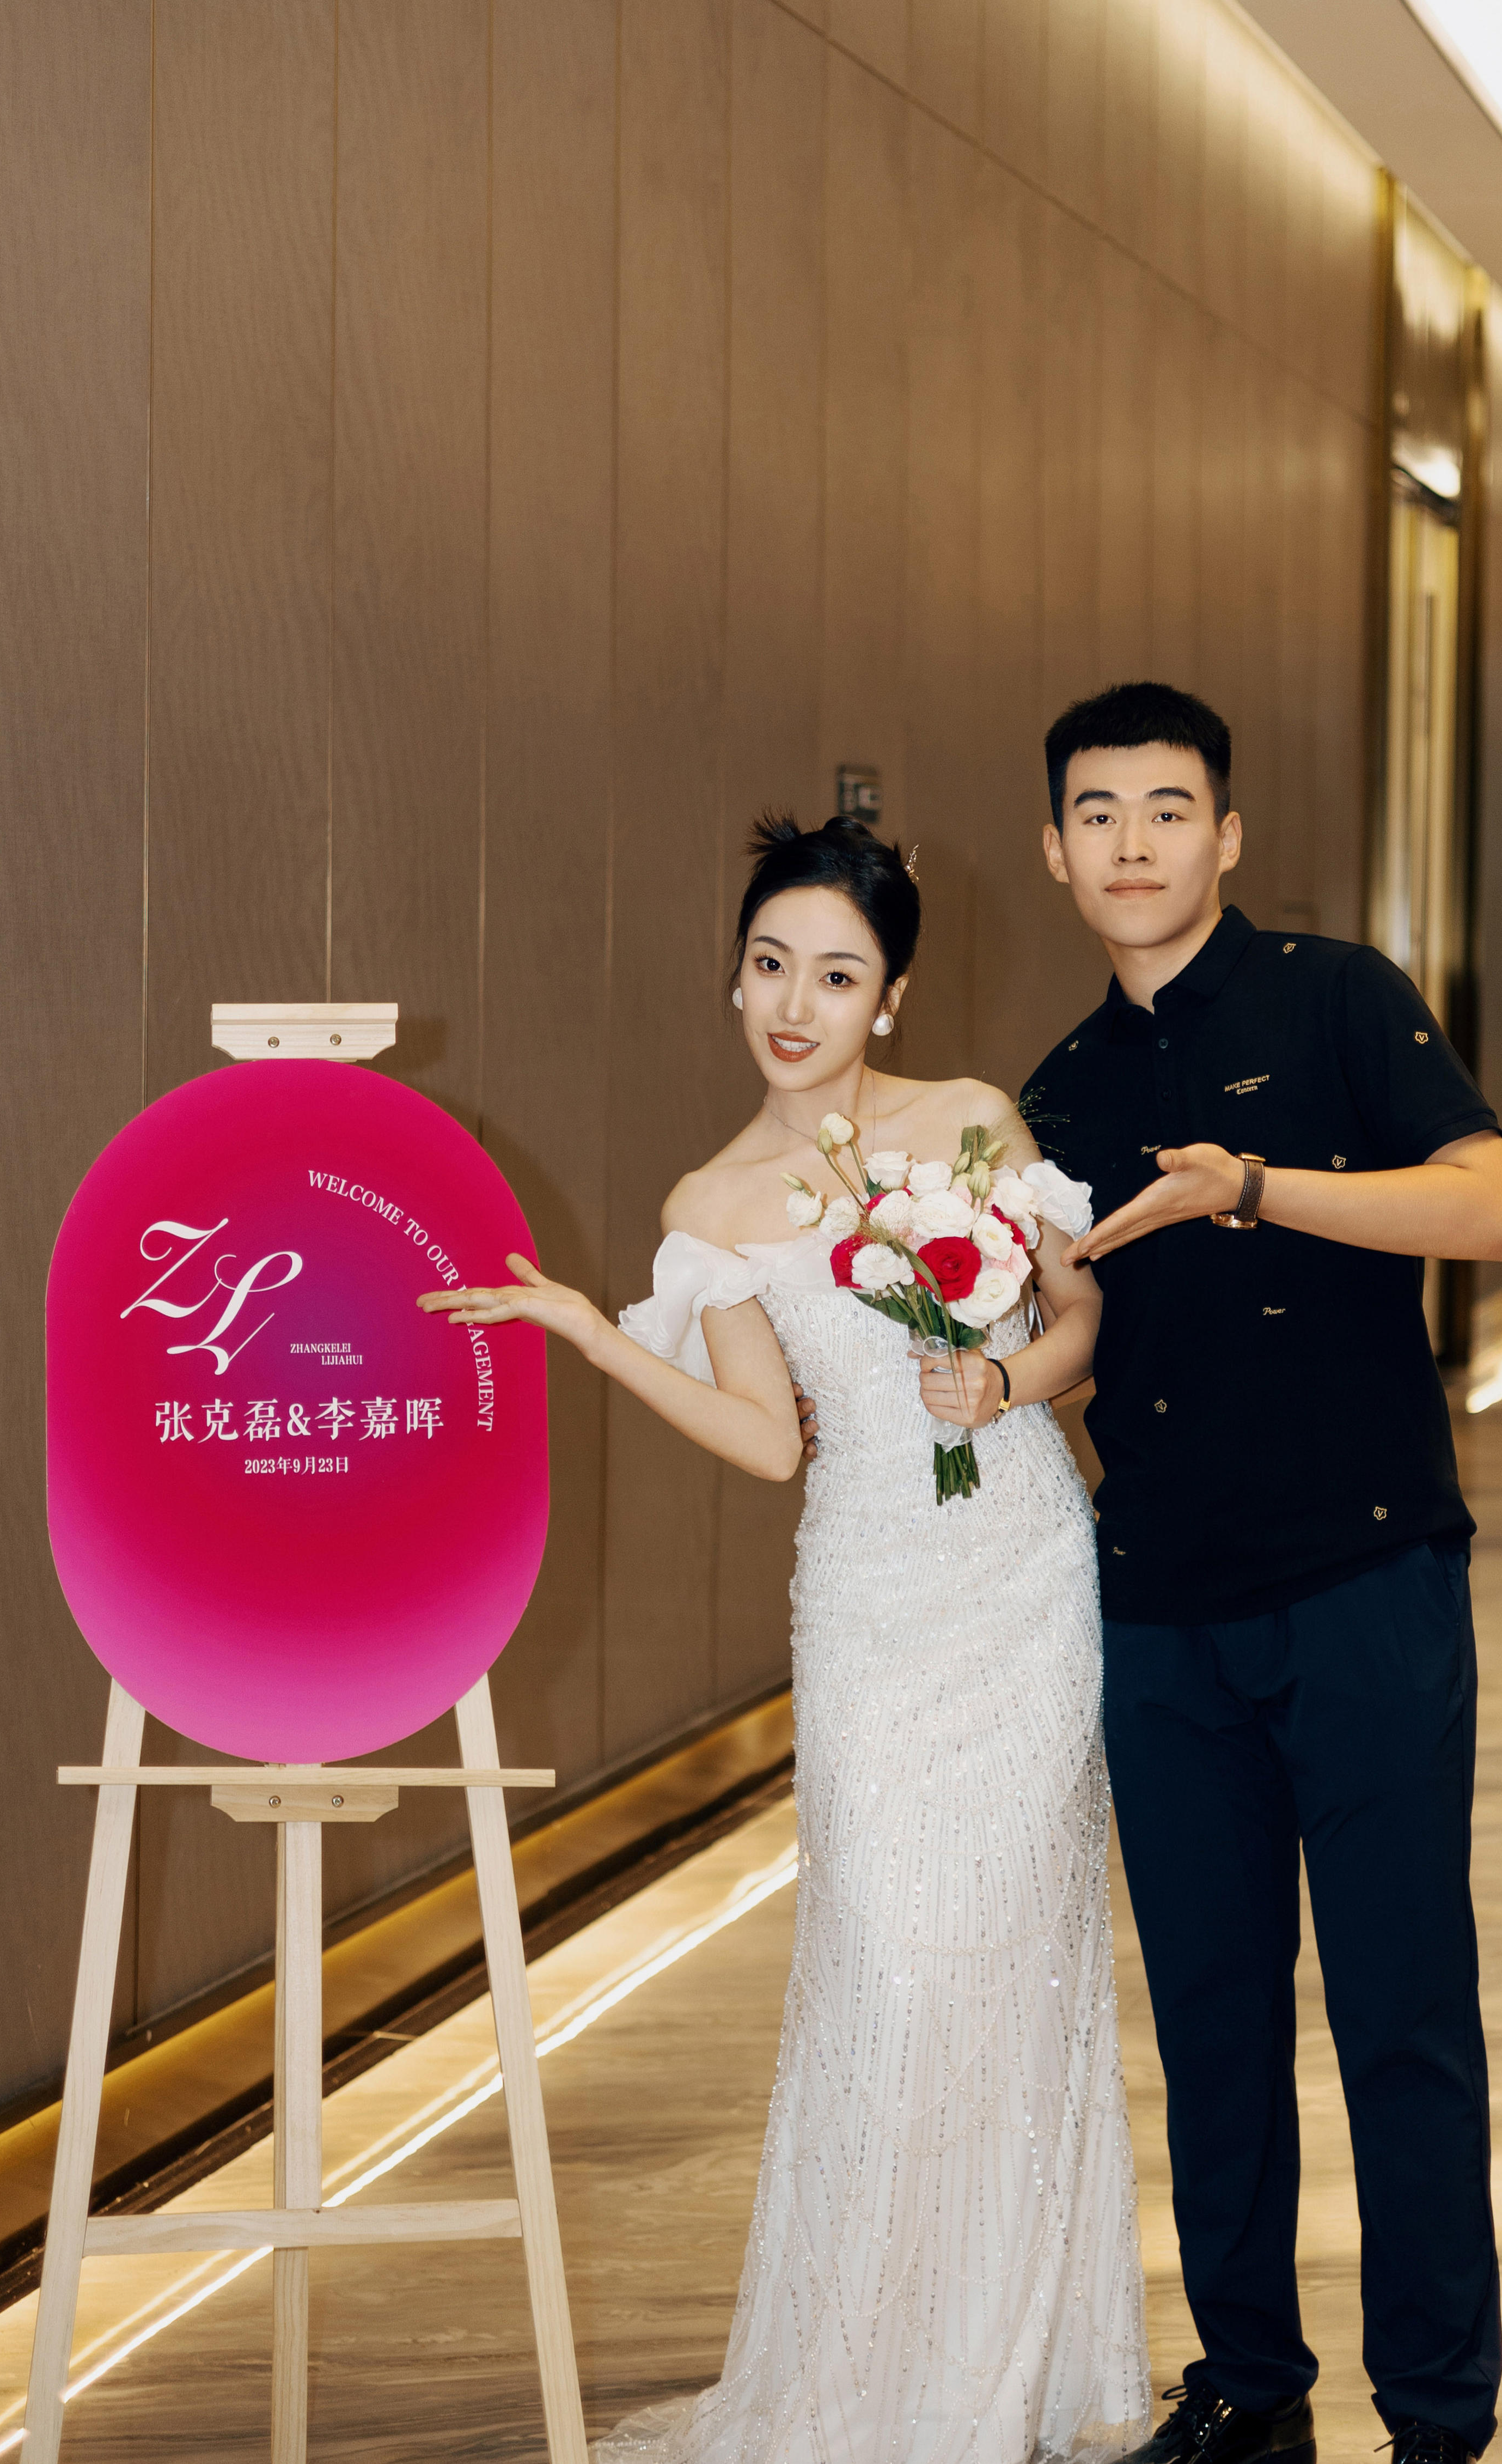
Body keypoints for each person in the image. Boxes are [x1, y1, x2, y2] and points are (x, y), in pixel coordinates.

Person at [420, 813, 1151, 2464]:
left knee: (1013, 1962)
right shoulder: (712, 1200)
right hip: (871, 1599)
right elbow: (768, 1441)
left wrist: (1002, 1379)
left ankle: (1011, 2363)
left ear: (890, 995)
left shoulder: (969, 1121)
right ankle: (872, 2370)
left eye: (836, 974)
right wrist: (592, 1335)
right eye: (770, 966)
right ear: (733, 978)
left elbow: (1080, 1315)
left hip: (1022, 1573)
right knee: (887, 1956)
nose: (795, 1005)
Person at [1019, 683, 1502, 2464]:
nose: (1133, 842)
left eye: (1167, 809)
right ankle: (1248, 2384)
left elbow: (1486, 1205)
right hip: (1161, 1609)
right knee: (1211, 2023)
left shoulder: (1337, 998)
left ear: (1224, 835)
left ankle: (1436, 2412)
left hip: (1363, 1579)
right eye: (1097, 813)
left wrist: (1254, 1184)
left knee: (1401, 2008)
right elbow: (1081, 1329)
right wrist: (974, 1352)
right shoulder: (1057, 1091)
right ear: (1054, 849)